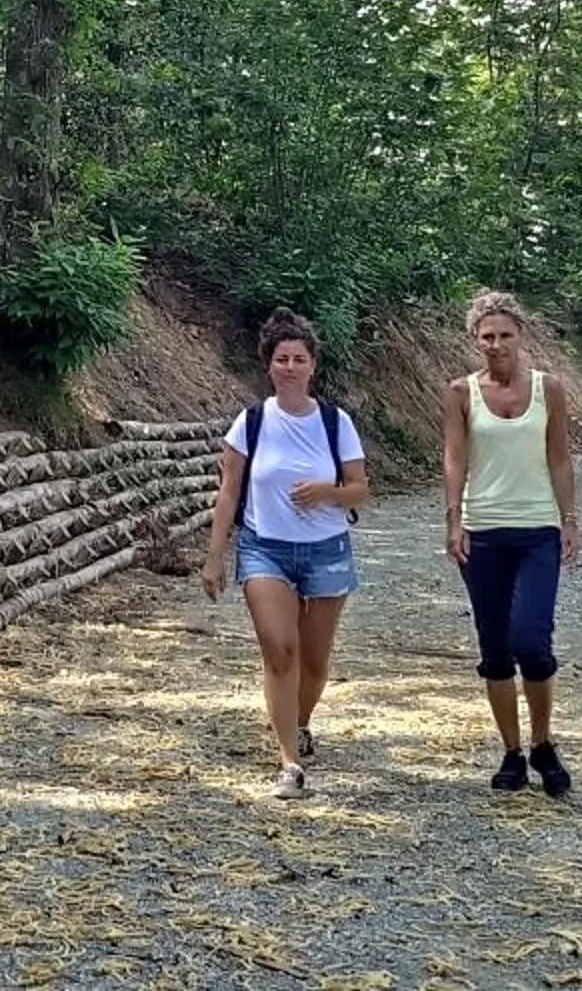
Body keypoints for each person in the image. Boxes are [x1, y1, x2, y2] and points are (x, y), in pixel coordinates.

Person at [201, 309, 369, 800]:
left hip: (326, 550)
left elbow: (360, 489)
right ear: (269, 366)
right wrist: (215, 556)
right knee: (281, 650)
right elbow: (228, 493)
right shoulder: (250, 423)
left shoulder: (336, 422)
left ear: (312, 366)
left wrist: (327, 491)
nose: (290, 366)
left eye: (299, 358)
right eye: (281, 358)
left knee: (315, 662)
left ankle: (300, 722)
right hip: (264, 549)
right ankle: (289, 763)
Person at [441, 289, 579, 795]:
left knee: (532, 643)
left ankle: (544, 743)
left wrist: (569, 519)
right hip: (483, 531)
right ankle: (512, 753)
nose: (495, 344)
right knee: (495, 649)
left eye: (504, 335)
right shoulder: (461, 392)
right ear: (475, 340)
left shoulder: (550, 389)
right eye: (486, 337)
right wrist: (454, 520)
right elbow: (455, 459)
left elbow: (560, 458)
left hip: (537, 528)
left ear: (521, 336)